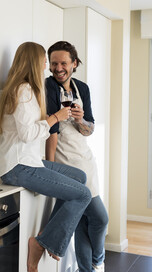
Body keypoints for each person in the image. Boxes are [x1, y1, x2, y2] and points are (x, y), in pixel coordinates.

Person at [0, 41, 92, 272]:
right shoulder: (24, 91)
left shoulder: (23, 89)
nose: (46, 67)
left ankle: (47, 234)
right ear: (34, 62)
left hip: (28, 161)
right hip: (19, 166)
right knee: (83, 195)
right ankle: (43, 243)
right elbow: (28, 134)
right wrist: (55, 118)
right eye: (43, 62)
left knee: (79, 177)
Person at [45, 41, 109, 272]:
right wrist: (50, 168)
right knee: (100, 218)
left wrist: (80, 119)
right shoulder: (48, 87)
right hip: (65, 163)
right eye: (54, 63)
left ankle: (87, 269)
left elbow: (89, 129)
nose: (58, 68)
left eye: (63, 63)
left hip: (85, 160)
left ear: (74, 63)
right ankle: (97, 260)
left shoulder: (82, 87)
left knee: (84, 221)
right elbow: (51, 131)